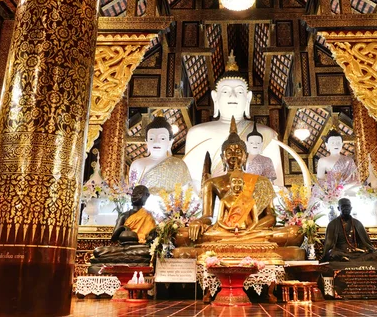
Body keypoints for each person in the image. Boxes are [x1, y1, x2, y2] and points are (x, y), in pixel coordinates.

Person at [180, 118, 302, 246]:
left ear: (245, 157)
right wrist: (199, 222)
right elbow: (208, 216)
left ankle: (237, 240)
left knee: (295, 233)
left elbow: (271, 217)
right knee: (181, 235)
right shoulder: (211, 183)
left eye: (238, 152)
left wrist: (248, 230)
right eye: (229, 152)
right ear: (223, 158)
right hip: (224, 230)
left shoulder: (261, 181)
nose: (233, 155)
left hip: (252, 230)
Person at [184, 52, 284, 188]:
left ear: (248, 98)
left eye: (239, 91)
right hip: (217, 198)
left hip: (253, 201)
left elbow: (276, 185)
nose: (233, 95)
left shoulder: (266, 133)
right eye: (225, 91)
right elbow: (191, 182)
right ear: (215, 98)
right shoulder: (198, 133)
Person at [129, 115, 193, 218]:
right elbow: (132, 195)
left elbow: (187, 193)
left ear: (170, 142)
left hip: (171, 216)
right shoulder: (137, 164)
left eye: (162, 138)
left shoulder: (179, 164)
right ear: (146, 141)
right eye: (151, 138)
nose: (156, 141)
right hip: (144, 217)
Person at [91, 185, 156, 264]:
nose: (135, 196)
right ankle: (124, 255)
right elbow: (114, 237)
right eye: (134, 193)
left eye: (139, 193)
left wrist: (151, 237)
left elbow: (152, 238)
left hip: (139, 246)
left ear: (146, 196)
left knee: (150, 251)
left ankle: (122, 255)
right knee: (98, 251)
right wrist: (123, 228)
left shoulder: (148, 216)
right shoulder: (124, 215)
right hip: (123, 247)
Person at [320, 198, 377, 262]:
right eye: (343, 206)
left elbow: (365, 243)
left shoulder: (357, 223)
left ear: (351, 208)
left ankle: (348, 260)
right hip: (341, 253)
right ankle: (348, 260)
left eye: (348, 206)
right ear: (338, 208)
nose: (346, 208)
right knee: (331, 253)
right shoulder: (333, 224)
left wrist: (366, 250)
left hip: (357, 253)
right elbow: (328, 246)